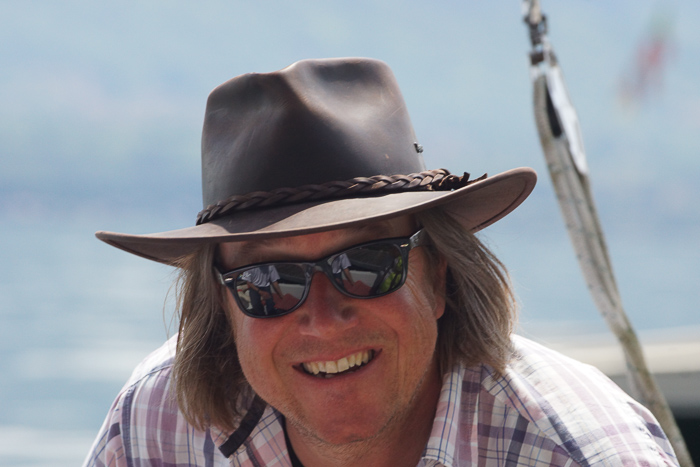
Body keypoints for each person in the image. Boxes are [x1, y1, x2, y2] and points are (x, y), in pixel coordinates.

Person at [84, 58, 679, 466]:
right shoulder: (153, 426)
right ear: (224, 306)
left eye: (367, 264)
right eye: (268, 282)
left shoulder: (582, 454)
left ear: (440, 275)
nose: (323, 321)